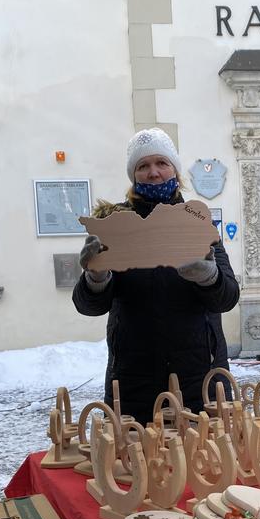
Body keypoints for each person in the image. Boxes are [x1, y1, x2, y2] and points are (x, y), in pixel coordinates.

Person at [73, 128, 239, 425]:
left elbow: (228, 296)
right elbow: (89, 306)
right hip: (134, 383)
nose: (153, 172)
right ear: (133, 174)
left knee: (208, 464)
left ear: (174, 168)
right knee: (136, 464)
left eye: (161, 163)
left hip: (200, 379)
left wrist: (208, 276)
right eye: (143, 166)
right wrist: (96, 277)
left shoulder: (196, 222)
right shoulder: (115, 225)